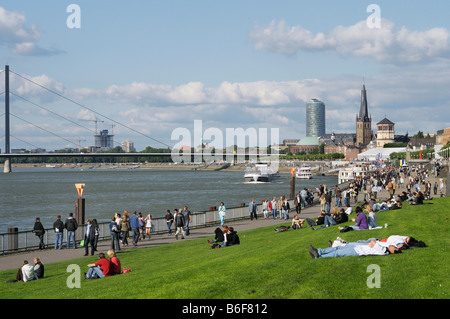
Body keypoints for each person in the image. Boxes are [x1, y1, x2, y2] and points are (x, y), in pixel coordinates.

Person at [308, 240, 400, 259]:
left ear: (393, 251)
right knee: (337, 248)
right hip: (357, 247)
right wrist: (372, 243)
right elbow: (372, 242)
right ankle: (319, 252)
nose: (392, 245)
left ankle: (319, 256)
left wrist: (372, 243)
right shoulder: (384, 249)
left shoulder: (384, 251)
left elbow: (373, 241)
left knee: (338, 253)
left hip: (357, 251)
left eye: (394, 247)